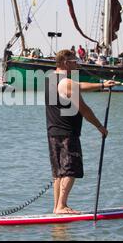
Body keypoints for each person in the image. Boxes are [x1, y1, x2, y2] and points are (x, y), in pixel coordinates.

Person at [45, 50, 115, 214]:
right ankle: (61, 206)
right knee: (70, 169)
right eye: (74, 61)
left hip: (53, 131)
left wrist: (101, 86)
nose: (77, 64)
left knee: (58, 172)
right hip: (67, 133)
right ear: (64, 62)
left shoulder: (51, 79)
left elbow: (78, 90)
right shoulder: (65, 82)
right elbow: (84, 109)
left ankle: (57, 207)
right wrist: (100, 127)